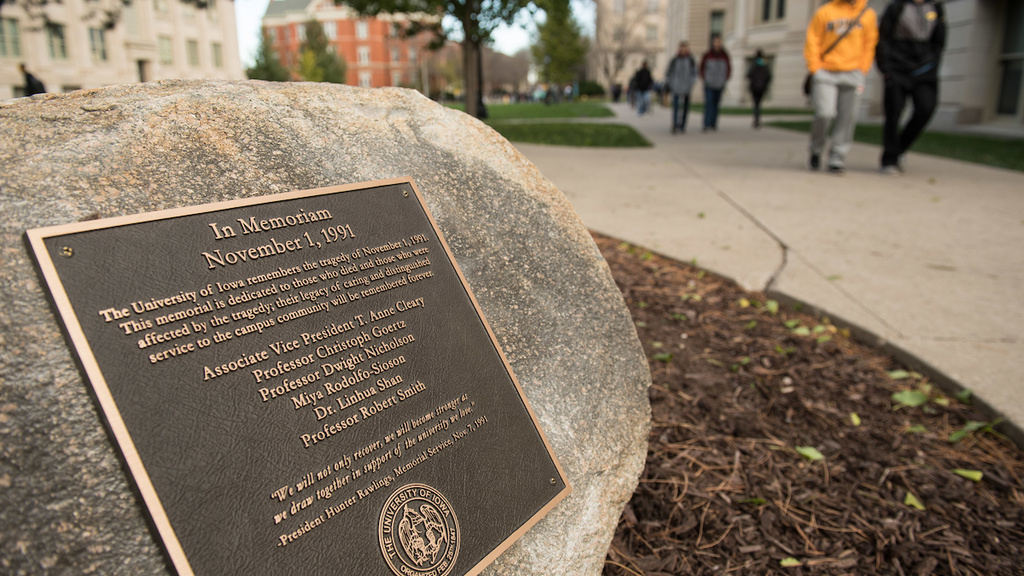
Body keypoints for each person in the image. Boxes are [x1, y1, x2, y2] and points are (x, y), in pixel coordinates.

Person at [805, 0, 878, 173]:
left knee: (847, 117)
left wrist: (863, 68)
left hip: (854, 72)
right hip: (826, 71)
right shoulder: (825, 11)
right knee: (825, 113)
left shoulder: (867, 14)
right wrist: (815, 67)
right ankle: (816, 149)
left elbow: (870, 43)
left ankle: (837, 157)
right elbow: (813, 39)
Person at [876, 0, 946, 174]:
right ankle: (889, 160)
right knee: (893, 113)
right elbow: (883, 38)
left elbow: (939, 41)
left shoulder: (936, 8)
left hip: (924, 69)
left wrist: (932, 63)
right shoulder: (896, 7)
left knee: (926, 109)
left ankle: (899, 149)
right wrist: (886, 67)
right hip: (897, 68)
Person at [700, 35, 731, 132]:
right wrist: (705, 78)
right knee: (709, 103)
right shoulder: (708, 55)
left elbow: (728, 69)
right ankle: (706, 123)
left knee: (716, 104)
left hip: (719, 83)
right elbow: (701, 68)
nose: (717, 44)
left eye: (719, 42)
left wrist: (724, 79)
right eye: (715, 42)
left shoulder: (724, 55)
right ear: (712, 43)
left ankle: (713, 123)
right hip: (709, 83)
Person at [665, 42, 697, 134]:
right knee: (675, 106)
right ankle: (674, 124)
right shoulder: (674, 60)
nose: (683, 50)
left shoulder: (691, 60)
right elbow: (669, 72)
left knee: (685, 107)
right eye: (681, 48)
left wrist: (691, 83)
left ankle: (682, 125)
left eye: (685, 48)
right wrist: (671, 83)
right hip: (676, 86)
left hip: (687, 86)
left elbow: (694, 73)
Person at [747, 50, 772, 128]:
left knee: (756, 104)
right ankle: (758, 119)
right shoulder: (764, 63)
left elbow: (748, 74)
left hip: (754, 87)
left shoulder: (754, 63)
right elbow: (769, 76)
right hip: (762, 87)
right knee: (759, 104)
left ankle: (756, 119)